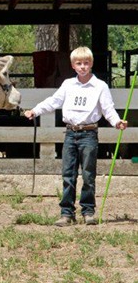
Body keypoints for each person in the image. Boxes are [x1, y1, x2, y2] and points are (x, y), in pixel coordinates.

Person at [24, 46, 128, 227]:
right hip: (71, 133)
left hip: (89, 133)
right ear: (73, 66)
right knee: (68, 174)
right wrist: (35, 110)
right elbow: (53, 101)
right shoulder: (68, 85)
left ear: (91, 64)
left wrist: (117, 122)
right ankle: (66, 213)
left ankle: (88, 211)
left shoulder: (100, 86)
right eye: (79, 63)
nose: (83, 67)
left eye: (86, 63)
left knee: (88, 175)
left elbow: (108, 109)